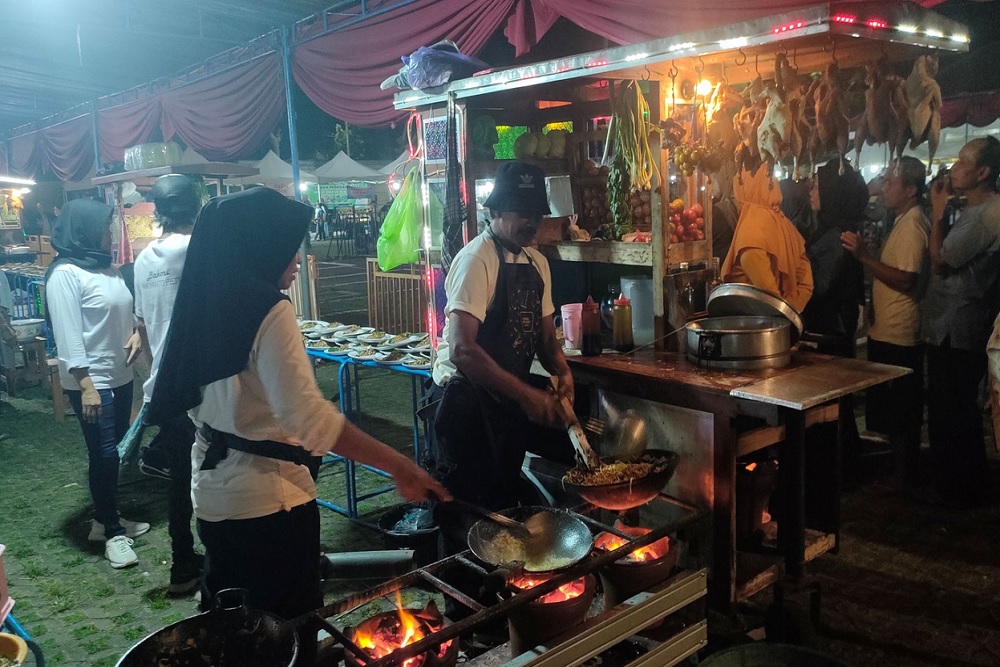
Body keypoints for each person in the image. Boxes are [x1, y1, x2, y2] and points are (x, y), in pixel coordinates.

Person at [147, 188, 448, 650]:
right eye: (291, 246)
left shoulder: (204, 299)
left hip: (213, 497)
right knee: (288, 636)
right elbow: (309, 418)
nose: (297, 259)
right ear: (261, 246)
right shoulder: (270, 310)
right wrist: (399, 465)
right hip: (271, 505)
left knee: (236, 635)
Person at [45, 199, 147, 569]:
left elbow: (126, 308)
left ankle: (104, 520)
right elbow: (68, 336)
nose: (109, 236)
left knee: (114, 453)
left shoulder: (107, 269)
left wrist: (136, 331)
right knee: (103, 454)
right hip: (91, 380)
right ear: (85, 230)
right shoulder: (64, 274)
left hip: (120, 375)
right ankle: (113, 535)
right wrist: (86, 385)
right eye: (105, 230)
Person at [841, 157, 930, 490]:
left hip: (899, 331)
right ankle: (899, 470)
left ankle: (904, 475)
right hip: (889, 328)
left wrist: (864, 257)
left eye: (890, 182)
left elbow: (906, 279)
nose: (884, 187)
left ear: (909, 189)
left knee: (901, 410)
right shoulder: (902, 219)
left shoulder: (912, 224)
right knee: (893, 410)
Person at [133, 175, 203, 595]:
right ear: (196, 206)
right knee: (213, 476)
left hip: (164, 385)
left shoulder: (143, 260)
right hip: (203, 387)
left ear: (158, 211)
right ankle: (222, 562)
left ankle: (182, 565)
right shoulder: (199, 250)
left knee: (180, 481)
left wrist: (152, 375)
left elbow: (142, 329)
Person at [924, 136, 1000, 506]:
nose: (953, 169)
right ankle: (963, 484)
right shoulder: (977, 211)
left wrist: (937, 211)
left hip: (958, 326)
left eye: (962, 163)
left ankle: (958, 490)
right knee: (955, 409)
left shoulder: (985, 215)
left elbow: (940, 258)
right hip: (956, 325)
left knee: (951, 410)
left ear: (983, 172)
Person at [721, 165, 814, 312]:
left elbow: (771, 302)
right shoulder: (787, 226)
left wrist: (783, 313)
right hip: (787, 323)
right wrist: (792, 309)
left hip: (756, 328)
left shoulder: (749, 232)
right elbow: (806, 283)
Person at [803, 159, 868, 357]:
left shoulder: (838, 235)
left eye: (817, 186)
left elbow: (820, 286)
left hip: (830, 332)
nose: (811, 192)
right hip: (833, 326)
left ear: (833, 192)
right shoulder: (831, 228)